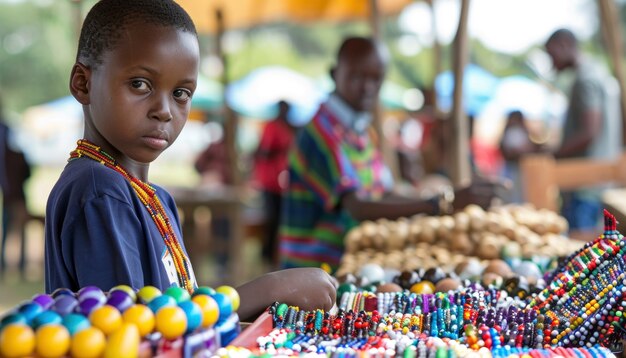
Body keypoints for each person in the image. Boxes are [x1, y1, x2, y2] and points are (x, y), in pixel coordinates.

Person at [44, 0, 335, 322]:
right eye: (140, 84)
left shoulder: (153, 197)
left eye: (181, 93)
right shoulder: (100, 189)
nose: (165, 110)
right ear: (83, 83)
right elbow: (133, 332)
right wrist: (269, 288)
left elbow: (173, 313)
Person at [279, 36, 501, 272]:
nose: (367, 87)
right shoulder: (321, 133)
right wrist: (441, 203)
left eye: (376, 78)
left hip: (345, 264)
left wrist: (441, 201)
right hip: (311, 271)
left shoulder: (361, 131)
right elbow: (358, 207)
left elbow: (382, 193)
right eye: (357, 76)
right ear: (334, 74)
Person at [545, 28, 623, 232]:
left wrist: (553, 153)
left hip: (585, 185)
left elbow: (589, 132)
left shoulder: (585, 79)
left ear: (563, 45)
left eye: (551, 55)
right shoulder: (598, 72)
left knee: (580, 252)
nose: (551, 63)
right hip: (600, 180)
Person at [252, 100, 296, 268]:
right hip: (270, 182)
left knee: (280, 221)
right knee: (272, 220)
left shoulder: (287, 127)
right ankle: (268, 256)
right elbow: (264, 152)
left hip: (282, 183)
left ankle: (275, 255)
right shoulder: (272, 126)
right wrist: (282, 148)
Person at [0, 96, 32, 275]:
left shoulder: (8, 130)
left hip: (13, 189)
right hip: (12, 188)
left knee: (18, 224)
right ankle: (10, 265)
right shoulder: (7, 130)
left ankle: (18, 265)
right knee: (12, 226)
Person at [499, 110, 540, 203]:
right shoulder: (512, 132)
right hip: (511, 168)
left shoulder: (523, 132)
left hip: (520, 169)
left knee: (520, 191)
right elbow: (509, 152)